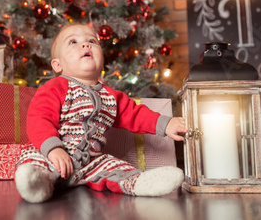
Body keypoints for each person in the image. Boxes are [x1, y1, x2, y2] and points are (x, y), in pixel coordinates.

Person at [15, 23, 187, 203]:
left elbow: (135, 114)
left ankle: (139, 182)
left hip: (91, 162)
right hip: (51, 153)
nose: (86, 45)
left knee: (115, 167)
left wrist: (165, 124)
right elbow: (39, 119)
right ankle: (38, 183)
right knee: (32, 160)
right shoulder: (54, 87)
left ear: (102, 60)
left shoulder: (111, 96)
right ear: (58, 65)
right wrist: (53, 149)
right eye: (73, 42)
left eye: (92, 41)